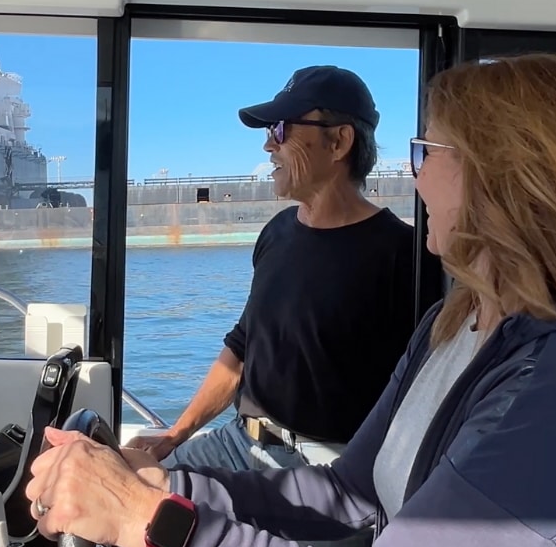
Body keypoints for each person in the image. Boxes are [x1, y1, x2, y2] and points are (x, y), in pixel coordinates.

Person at [28, 53, 556, 547]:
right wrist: (166, 483)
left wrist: (145, 518)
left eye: (427, 151)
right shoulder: (449, 324)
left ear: (504, 173)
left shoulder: (554, 383)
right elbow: (352, 490)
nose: (416, 176)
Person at [128, 65, 415, 478]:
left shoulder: (401, 255)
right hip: (239, 441)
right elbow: (243, 347)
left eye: (281, 129)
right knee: (127, 479)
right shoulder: (277, 234)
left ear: (338, 141)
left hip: (325, 470)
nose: (267, 144)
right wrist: (175, 434)